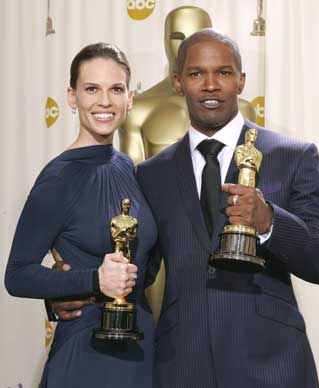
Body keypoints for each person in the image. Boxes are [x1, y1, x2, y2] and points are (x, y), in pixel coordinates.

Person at [49, 29, 319, 387]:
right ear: (177, 82)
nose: (210, 85)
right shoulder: (150, 174)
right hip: (181, 364)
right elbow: (134, 269)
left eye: (223, 72)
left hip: (272, 363)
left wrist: (269, 222)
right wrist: (72, 289)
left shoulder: (292, 156)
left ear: (241, 80)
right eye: (195, 74)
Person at [5, 43, 157, 388]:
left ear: (129, 98)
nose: (105, 101)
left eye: (115, 89)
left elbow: (143, 267)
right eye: (92, 89)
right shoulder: (58, 178)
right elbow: (17, 275)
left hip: (142, 353)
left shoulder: (128, 168)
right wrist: (91, 281)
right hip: (87, 359)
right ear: (72, 97)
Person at [119, 5, 256, 321]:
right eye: (176, 36)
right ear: (165, 40)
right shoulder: (139, 109)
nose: (183, 45)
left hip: (229, 235)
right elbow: (132, 189)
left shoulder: (244, 110)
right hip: (160, 235)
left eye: (192, 36)